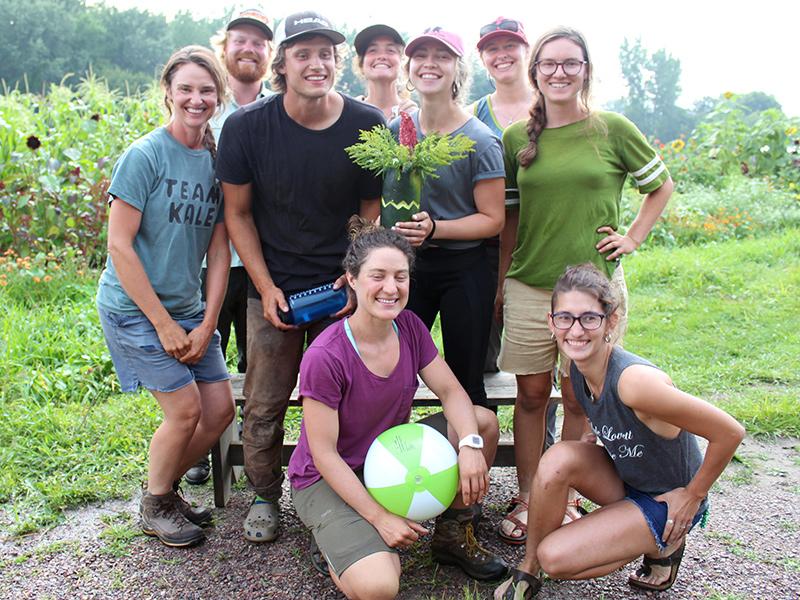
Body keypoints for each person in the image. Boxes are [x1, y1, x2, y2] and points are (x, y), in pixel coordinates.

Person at [496, 27, 674, 545]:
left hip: (593, 290)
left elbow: (659, 186)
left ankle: (567, 495)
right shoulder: (515, 141)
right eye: (549, 64)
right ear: (535, 72)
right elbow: (510, 217)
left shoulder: (612, 129)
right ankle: (531, 495)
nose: (559, 72)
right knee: (530, 396)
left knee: (579, 397)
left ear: (585, 70)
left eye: (570, 63)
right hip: (531, 285)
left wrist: (633, 237)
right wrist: (501, 281)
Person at [216, 11, 385, 543]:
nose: (317, 63)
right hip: (275, 288)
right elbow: (238, 214)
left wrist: (351, 274)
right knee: (265, 401)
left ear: (337, 62)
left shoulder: (365, 122)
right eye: (303, 53)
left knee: (350, 396)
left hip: (342, 289)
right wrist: (265, 288)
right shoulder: (247, 127)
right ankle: (265, 495)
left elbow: (370, 207)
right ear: (282, 65)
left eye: (326, 53)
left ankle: (349, 488)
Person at [494, 264, 745, 598]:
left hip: (666, 500)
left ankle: (663, 544)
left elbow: (730, 432)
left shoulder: (635, 383)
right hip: (630, 480)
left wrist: (692, 495)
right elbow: (617, 421)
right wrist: (596, 438)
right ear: (551, 321)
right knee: (558, 457)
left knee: (554, 557)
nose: (576, 330)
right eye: (565, 318)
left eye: (589, 318)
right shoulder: (577, 367)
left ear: (610, 321)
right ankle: (527, 570)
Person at [289, 218, 508, 599]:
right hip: (327, 477)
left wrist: (470, 445)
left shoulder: (408, 327)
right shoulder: (326, 355)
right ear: (352, 280)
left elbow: (453, 392)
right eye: (378, 276)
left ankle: (452, 534)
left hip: (388, 458)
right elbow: (323, 455)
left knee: (483, 423)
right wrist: (381, 518)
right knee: (378, 587)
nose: (391, 288)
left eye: (400, 277)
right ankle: (335, 538)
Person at [96, 46, 234, 547]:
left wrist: (205, 322)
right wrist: (163, 324)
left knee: (219, 412)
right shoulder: (145, 154)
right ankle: (156, 500)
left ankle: (164, 490)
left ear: (218, 97)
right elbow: (119, 246)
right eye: (186, 89)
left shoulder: (217, 163)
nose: (196, 99)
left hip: (188, 308)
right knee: (184, 412)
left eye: (206, 90)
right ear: (168, 93)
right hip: (135, 309)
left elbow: (220, 253)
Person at [390, 27, 505, 411]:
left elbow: (492, 220)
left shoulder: (481, 140)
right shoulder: (398, 131)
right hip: (407, 268)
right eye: (420, 56)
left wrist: (435, 228)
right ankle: (391, 465)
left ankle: (472, 465)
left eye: (441, 56)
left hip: (464, 269)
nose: (430, 64)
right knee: (393, 373)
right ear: (409, 68)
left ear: (458, 70)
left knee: (466, 380)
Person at [185, 6, 274, 487]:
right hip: (208, 258)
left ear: (268, 54)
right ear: (225, 46)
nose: (248, 48)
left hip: (258, 257)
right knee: (202, 349)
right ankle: (201, 443)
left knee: (254, 358)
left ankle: (247, 438)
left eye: (259, 42)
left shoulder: (279, 110)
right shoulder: (205, 107)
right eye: (240, 39)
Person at [352, 24, 417, 121]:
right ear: (361, 64)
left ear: (402, 61)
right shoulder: (348, 115)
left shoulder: (415, 117)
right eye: (373, 50)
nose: (382, 56)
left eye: (390, 50)